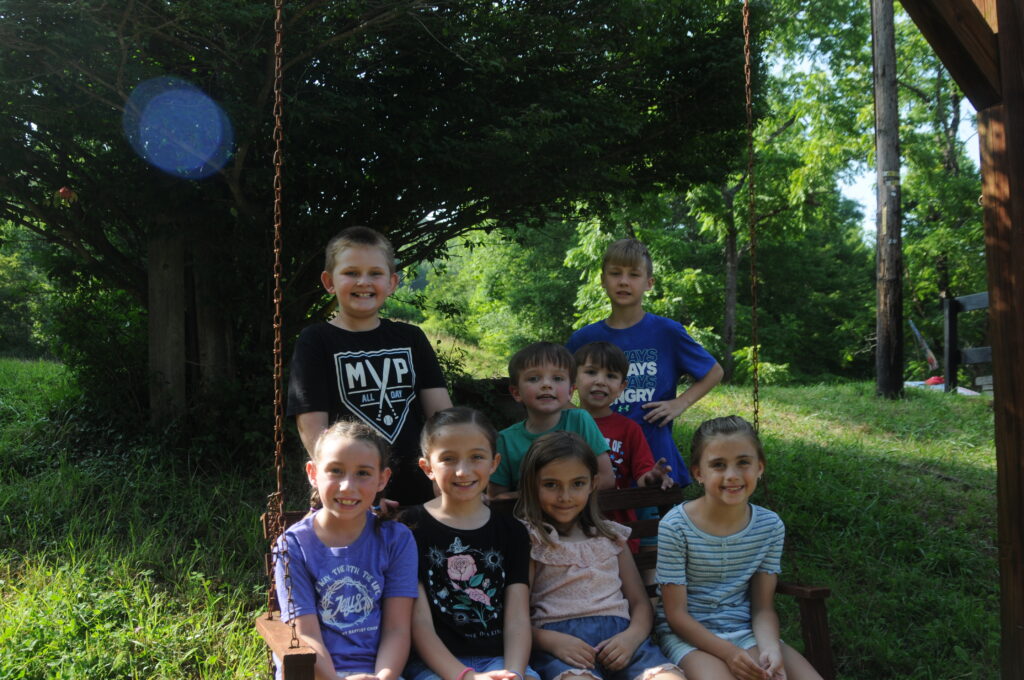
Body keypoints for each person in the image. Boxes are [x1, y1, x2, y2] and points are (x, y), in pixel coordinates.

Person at [288, 226, 453, 505]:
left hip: (420, 489)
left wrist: (446, 472)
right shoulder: (315, 341)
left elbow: (442, 417)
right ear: (329, 282)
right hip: (352, 492)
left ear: (391, 282)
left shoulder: (411, 338)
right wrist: (344, 485)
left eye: (375, 273)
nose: (363, 281)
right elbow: (313, 427)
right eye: (351, 273)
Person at [655, 416, 822, 680]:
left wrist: (769, 649)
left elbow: (763, 607)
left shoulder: (769, 526)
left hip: (746, 631)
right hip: (690, 636)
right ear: (698, 472)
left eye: (743, 463)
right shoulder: (676, 526)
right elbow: (677, 616)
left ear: (760, 467)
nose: (732, 476)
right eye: (718, 465)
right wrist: (729, 653)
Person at [514, 431, 686, 680]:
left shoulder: (611, 537)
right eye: (551, 485)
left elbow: (640, 602)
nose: (565, 496)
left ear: (593, 484)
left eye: (577, 484)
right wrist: (552, 642)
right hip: (563, 649)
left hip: (624, 642)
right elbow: (516, 615)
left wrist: (632, 637)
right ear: (533, 485)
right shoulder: (532, 541)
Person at [566, 238, 723, 488]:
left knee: (653, 524)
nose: (624, 281)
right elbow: (559, 382)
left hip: (654, 452)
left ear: (649, 283)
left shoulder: (667, 332)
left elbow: (714, 371)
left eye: (634, 274)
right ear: (603, 280)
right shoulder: (584, 339)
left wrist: (679, 403)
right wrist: (572, 414)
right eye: (615, 273)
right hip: (597, 452)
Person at [273, 420, 418, 680]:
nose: (347, 486)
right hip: (314, 671)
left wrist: (382, 678)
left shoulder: (396, 540)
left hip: (379, 671)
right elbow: (305, 634)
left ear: (382, 479)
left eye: (363, 473)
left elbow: (397, 629)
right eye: (336, 471)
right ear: (313, 473)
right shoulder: (293, 546)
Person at [401, 407, 539, 680]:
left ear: (494, 462)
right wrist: (466, 677)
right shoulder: (409, 529)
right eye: (448, 459)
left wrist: (514, 673)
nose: (463, 471)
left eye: (476, 457)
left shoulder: (512, 532)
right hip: (434, 665)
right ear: (427, 467)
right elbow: (419, 624)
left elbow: (517, 618)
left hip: (500, 660)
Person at [488, 342, 614, 498]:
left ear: (570, 391)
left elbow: (607, 478)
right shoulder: (505, 441)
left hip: (581, 519)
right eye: (534, 378)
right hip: (526, 521)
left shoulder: (580, 420)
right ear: (516, 392)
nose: (547, 385)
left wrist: (546, 495)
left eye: (557, 378)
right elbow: (497, 497)